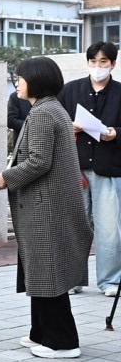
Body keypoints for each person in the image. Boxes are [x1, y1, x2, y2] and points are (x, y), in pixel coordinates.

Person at [0, 56, 93, 359]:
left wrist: (4, 178)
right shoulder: (49, 109)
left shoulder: (43, 113)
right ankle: (42, 332)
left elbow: (39, 160)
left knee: (48, 272)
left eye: (21, 78)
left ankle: (63, 342)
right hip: (46, 203)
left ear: (35, 80)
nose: (17, 83)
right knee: (41, 270)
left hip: (45, 205)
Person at [57, 41, 121, 295]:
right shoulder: (71, 90)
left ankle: (110, 280)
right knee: (75, 224)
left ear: (113, 64)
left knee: (109, 229)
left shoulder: (119, 92)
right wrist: (67, 126)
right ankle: (72, 279)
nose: (98, 67)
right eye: (93, 61)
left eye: (103, 62)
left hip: (109, 168)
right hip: (76, 168)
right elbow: (54, 120)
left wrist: (116, 133)